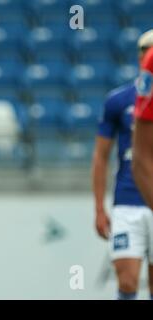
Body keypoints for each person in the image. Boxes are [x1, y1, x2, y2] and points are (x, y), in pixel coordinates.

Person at [95, 30, 153, 300]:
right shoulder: (118, 100)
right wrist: (99, 207)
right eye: (145, 48)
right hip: (127, 201)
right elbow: (101, 156)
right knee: (127, 281)